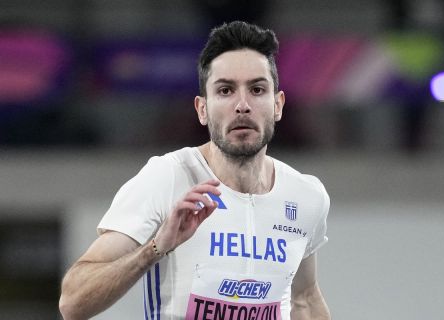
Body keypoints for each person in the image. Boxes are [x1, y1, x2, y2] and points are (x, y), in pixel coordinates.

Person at [59, 21, 331, 320]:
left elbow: (304, 299)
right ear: (202, 109)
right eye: (226, 90)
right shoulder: (167, 177)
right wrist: (155, 249)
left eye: (257, 89)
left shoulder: (306, 195)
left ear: (278, 105)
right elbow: (72, 303)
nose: (242, 105)